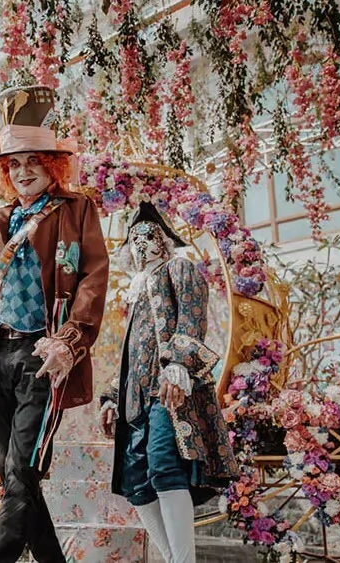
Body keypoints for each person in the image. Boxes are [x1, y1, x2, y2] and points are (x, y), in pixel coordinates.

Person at [0, 85, 110, 563]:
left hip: (43, 357)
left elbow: (93, 279)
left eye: (31, 162)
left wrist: (69, 341)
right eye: (13, 165)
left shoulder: (77, 211)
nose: (21, 172)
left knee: (21, 472)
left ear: (51, 165)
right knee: (16, 478)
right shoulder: (0, 222)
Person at [99, 201, 236, 563]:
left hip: (168, 391)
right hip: (135, 397)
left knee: (163, 465)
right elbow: (131, 351)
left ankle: (184, 561)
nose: (141, 243)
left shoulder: (180, 268)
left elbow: (192, 318)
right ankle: (176, 560)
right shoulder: (136, 289)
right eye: (135, 238)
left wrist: (178, 366)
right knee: (136, 483)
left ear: (163, 239)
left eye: (148, 235)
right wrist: (113, 396)